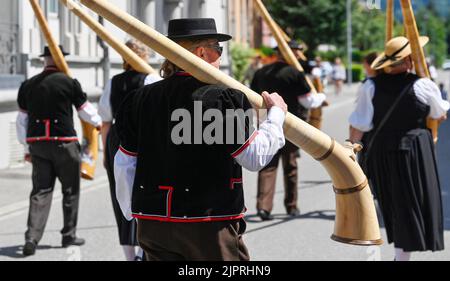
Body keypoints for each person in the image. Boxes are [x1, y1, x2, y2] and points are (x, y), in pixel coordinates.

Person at [113, 18, 287, 261]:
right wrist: (276, 116)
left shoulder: (139, 99)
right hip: (208, 224)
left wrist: (134, 212)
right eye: (218, 49)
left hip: (154, 223)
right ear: (202, 52)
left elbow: (124, 163)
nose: (220, 57)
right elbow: (254, 157)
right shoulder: (223, 98)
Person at [348, 36, 448, 261]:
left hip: (381, 152)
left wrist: (351, 155)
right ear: (410, 60)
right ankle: (401, 256)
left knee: (393, 204)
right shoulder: (423, 85)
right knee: (412, 205)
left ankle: (401, 255)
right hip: (414, 151)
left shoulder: (370, 86)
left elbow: (359, 125)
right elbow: (439, 113)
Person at [16, 45, 102, 256]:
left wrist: (27, 147)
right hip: (65, 143)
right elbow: (86, 113)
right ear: (61, 59)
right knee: (70, 190)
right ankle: (68, 235)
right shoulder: (69, 82)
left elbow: (21, 121)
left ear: (45, 60)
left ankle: (32, 238)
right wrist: (100, 123)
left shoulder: (27, 85)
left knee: (40, 191)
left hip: (38, 144)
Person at [98, 39, 161, 261]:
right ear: (143, 56)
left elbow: (105, 121)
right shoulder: (151, 79)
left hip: (116, 137)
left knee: (120, 194)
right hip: (144, 137)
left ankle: (129, 255)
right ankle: (145, 250)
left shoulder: (113, 82)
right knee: (146, 192)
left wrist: (106, 154)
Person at [250, 40, 327, 221]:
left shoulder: (260, 72)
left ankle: (263, 207)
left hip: (265, 122)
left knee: (268, 165)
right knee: (290, 165)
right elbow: (307, 101)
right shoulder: (295, 73)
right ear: (291, 53)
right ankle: (291, 206)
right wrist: (321, 97)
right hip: (291, 125)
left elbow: (253, 98)